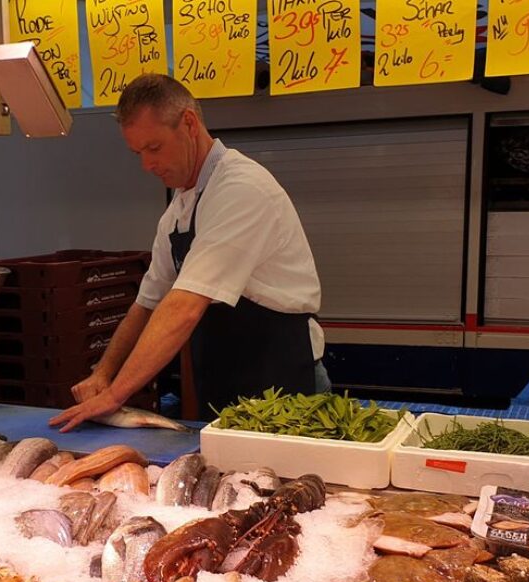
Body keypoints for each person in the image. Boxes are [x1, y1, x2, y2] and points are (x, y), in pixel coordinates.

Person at [49, 74, 325, 432]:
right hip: (226, 385)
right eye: (138, 154)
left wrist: (116, 396)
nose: (147, 165)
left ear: (189, 124)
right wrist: (102, 373)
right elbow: (147, 305)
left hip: (284, 385)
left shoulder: (240, 189)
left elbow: (183, 307)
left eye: (154, 148)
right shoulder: (180, 207)